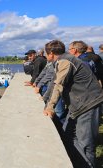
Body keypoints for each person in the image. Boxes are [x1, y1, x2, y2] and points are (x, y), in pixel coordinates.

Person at [43, 40, 103, 168]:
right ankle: (77, 163)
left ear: (51, 53)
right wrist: (45, 99)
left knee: (86, 144)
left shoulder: (65, 61)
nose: (44, 55)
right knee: (68, 135)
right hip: (78, 105)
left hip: (88, 104)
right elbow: (53, 83)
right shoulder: (60, 62)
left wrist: (50, 106)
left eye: (45, 53)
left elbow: (58, 85)